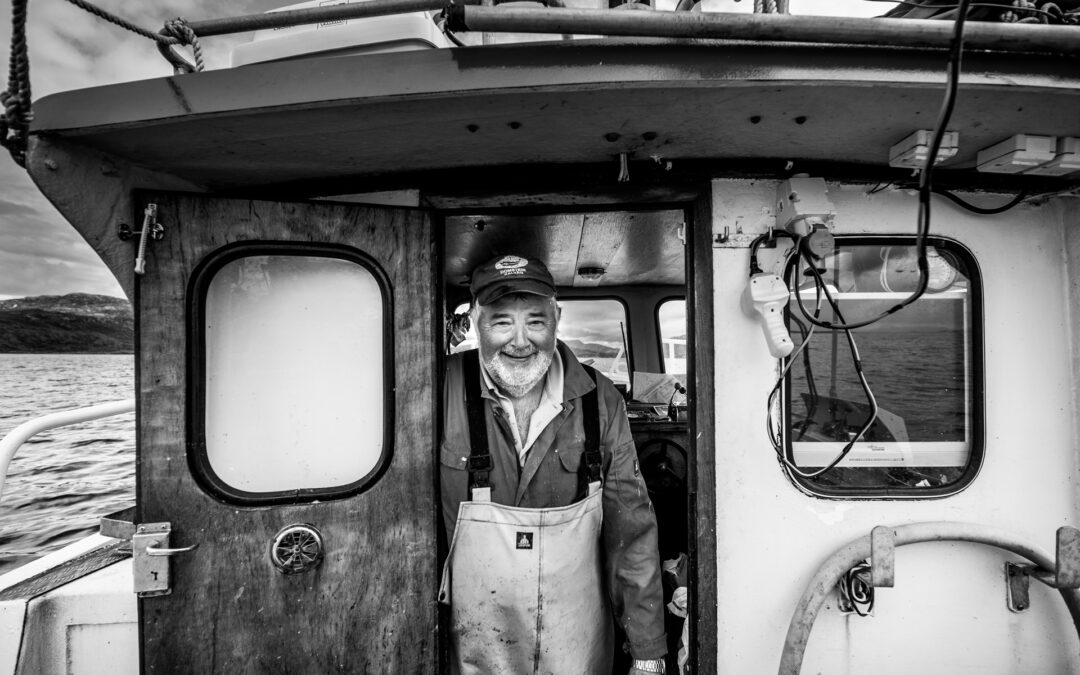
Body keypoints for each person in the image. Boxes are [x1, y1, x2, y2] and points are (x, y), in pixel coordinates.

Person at [438, 253, 667, 674]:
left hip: (577, 645)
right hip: (470, 649)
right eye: (502, 321)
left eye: (536, 321)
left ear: (557, 318)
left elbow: (631, 532)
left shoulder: (601, 401)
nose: (520, 341)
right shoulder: (439, 388)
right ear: (475, 321)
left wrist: (648, 652)